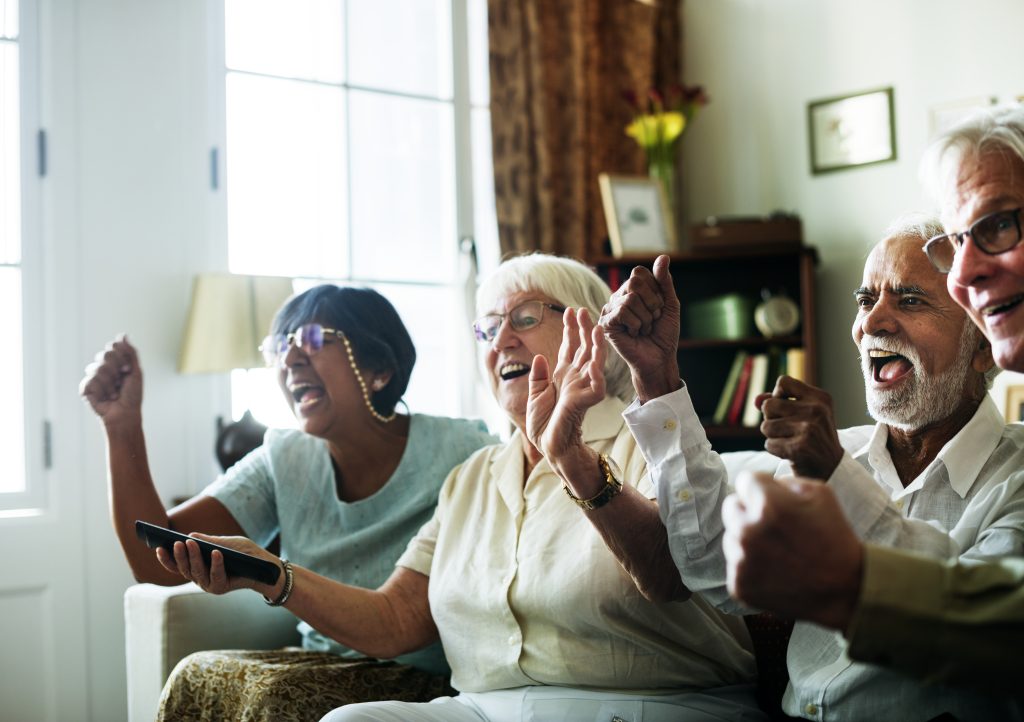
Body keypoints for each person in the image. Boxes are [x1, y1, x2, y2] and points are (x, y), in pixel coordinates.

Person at [153, 254, 763, 722]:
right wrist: (272, 573)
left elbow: (665, 572)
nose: (502, 341)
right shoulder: (470, 479)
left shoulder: (654, 442)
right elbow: (395, 619)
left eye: (526, 318)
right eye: (488, 329)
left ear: (593, 332)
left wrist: (570, 454)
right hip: (486, 710)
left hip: (650, 706)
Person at [597, 221, 1024, 720]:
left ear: (983, 347)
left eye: (909, 301)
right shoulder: (835, 452)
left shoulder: (1014, 474)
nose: (873, 323)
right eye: (866, 301)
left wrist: (835, 475)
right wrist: (657, 376)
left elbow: (974, 632)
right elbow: (717, 567)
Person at [79, 285, 497, 721]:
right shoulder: (284, 456)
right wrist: (122, 427)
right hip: (324, 664)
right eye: (281, 346)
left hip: (425, 678)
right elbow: (153, 564)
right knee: (195, 672)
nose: (291, 359)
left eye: (315, 339)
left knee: (278, 694)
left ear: (380, 370)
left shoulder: (464, 452)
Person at [722, 103, 1024, 696]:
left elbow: (998, 638)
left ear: (980, 350)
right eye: (959, 241)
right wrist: (658, 388)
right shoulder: (829, 452)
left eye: (996, 226)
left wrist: (846, 578)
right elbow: (700, 568)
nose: (964, 272)